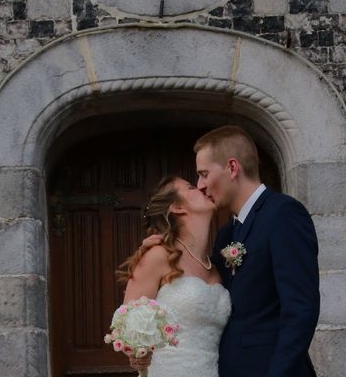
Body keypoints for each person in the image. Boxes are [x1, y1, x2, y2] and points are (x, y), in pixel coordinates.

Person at [137, 125, 320, 377]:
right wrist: (165, 246)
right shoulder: (226, 234)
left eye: (203, 174)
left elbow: (301, 309)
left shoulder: (283, 214)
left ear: (232, 168)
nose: (200, 185)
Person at [118, 175, 231, 377]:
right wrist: (137, 355)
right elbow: (128, 324)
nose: (201, 187)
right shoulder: (157, 257)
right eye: (190, 187)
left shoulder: (216, 266)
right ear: (177, 207)